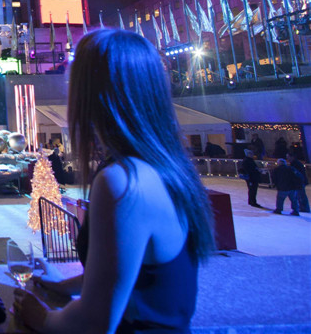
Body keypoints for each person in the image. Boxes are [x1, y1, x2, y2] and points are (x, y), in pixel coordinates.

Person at [13, 29, 215, 334]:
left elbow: (94, 323)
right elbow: (130, 272)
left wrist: (39, 317)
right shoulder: (164, 168)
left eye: (74, 82)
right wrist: (65, 286)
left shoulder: (123, 182)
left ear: (93, 94)